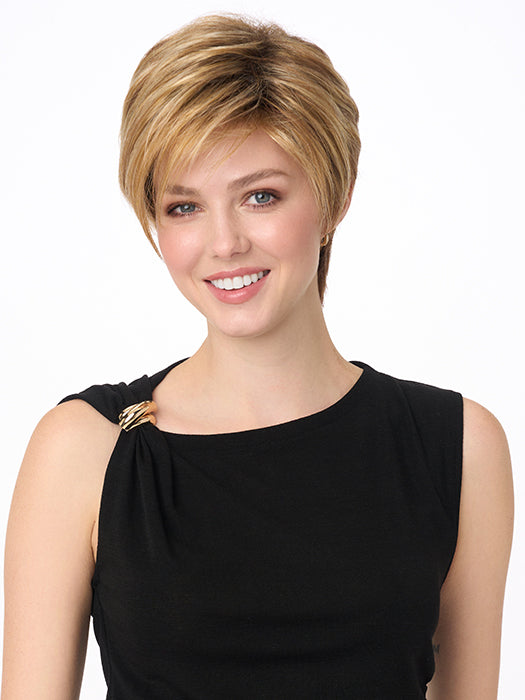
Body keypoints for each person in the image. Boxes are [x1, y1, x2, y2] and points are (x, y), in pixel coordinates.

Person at [1, 14, 513, 700]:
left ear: (334, 196)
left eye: (259, 196)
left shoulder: (457, 446)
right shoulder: (86, 449)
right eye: (183, 207)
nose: (224, 243)